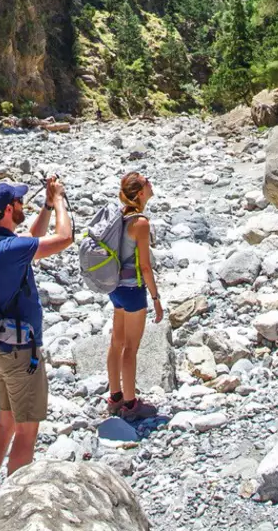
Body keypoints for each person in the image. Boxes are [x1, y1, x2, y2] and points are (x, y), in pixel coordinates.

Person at [0, 177, 73, 511]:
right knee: (27, 430)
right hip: (20, 353)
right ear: (7, 210)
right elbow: (64, 238)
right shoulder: (10, 250)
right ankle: (13, 507)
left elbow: (32, 238)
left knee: (6, 422)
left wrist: (44, 206)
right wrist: (59, 201)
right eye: (18, 202)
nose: (22, 205)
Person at [103, 171, 163, 421]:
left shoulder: (121, 215)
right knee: (131, 347)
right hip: (132, 290)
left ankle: (115, 397)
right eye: (147, 181)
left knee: (117, 342)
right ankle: (131, 403)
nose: (151, 183)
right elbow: (145, 267)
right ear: (140, 193)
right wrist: (156, 299)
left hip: (115, 288)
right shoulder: (141, 223)